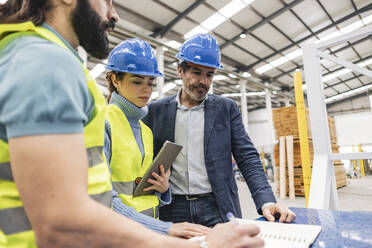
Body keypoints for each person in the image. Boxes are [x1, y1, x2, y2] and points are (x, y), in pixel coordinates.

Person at [0, 0, 265, 247]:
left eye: (150, 83)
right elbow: (60, 221)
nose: (113, 14)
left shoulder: (33, 54)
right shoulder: (44, 62)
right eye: (106, 0)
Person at [143, 33, 296, 227]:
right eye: (197, 73)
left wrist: (267, 200)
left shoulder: (226, 109)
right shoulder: (156, 111)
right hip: (172, 207)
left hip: (217, 206)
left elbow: (247, 157)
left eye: (210, 75)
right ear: (180, 71)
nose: (204, 82)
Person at [104, 38, 208, 237]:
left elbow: (140, 192)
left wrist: (162, 189)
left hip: (146, 233)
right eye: (137, 81)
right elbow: (103, 199)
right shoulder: (103, 122)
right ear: (116, 80)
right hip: (116, 234)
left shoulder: (145, 130)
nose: (146, 89)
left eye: (151, 83)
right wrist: (165, 228)